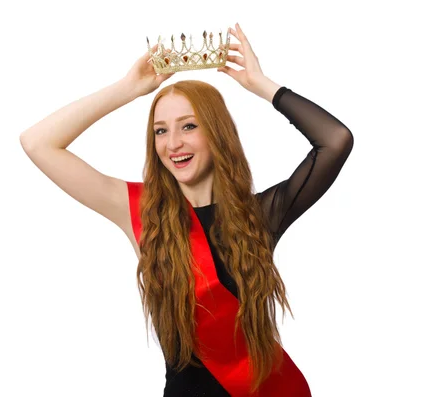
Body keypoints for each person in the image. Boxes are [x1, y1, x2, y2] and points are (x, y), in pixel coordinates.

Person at [20, 23, 353, 397]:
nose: (173, 143)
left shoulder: (259, 216)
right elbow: (38, 143)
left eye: (189, 126)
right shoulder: (139, 212)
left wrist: (260, 84)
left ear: (217, 133)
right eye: (161, 131)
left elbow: (335, 141)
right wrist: (127, 89)